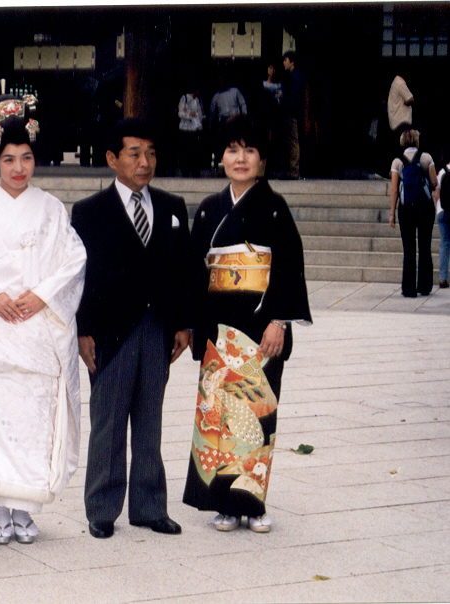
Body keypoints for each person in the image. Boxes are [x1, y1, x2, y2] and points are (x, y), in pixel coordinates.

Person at [0, 97, 86, 545]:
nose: (19, 167)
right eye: (9, 159)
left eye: (26, 158)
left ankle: (25, 510)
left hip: (36, 329)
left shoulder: (49, 208)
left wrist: (40, 296)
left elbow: (73, 260)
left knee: (32, 422)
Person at [183, 116, 312, 534]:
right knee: (218, 417)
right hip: (219, 332)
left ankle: (252, 505)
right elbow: (194, 275)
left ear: (262, 159)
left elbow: (289, 268)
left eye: (250, 151)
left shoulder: (275, 208)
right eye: (233, 150)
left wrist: (280, 321)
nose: (241, 159)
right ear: (221, 157)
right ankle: (223, 504)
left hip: (260, 332)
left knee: (256, 417)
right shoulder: (208, 211)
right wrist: (194, 329)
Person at [71, 118, 191, 539]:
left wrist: (182, 324)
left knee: (150, 420)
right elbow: (79, 276)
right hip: (110, 331)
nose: (145, 162)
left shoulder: (173, 205)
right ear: (112, 159)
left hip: (157, 327)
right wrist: (83, 329)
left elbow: (183, 272)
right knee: (107, 422)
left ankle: (149, 506)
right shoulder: (88, 212)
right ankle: (102, 509)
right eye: (135, 153)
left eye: (151, 153)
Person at [389, 129, 438, 297]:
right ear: (417, 141)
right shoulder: (426, 158)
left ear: (402, 142)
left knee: (408, 248)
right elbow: (434, 182)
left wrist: (392, 213)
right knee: (425, 245)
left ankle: (408, 288)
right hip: (425, 206)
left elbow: (395, 189)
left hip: (406, 208)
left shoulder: (397, 162)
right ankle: (424, 286)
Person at [281, 51, 303, 179]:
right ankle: (292, 169)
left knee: (293, 141)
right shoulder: (292, 76)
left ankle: (294, 170)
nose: (284, 62)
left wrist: (285, 102)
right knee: (291, 141)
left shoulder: (294, 76)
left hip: (292, 113)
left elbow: (293, 97)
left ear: (292, 61)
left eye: (286, 60)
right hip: (291, 112)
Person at [178, 89, 205, 177]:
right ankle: (185, 172)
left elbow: (200, 114)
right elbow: (180, 113)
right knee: (185, 151)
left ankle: (195, 172)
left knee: (195, 152)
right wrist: (190, 114)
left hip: (195, 129)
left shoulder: (197, 100)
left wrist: (200, 126)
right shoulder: (184, 98)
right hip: (185, 129)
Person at [435, 160, 450, 289]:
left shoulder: (442, 172)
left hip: (442, 211)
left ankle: (443, 278)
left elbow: (437, 194)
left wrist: (439, 208)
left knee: (444, 243)